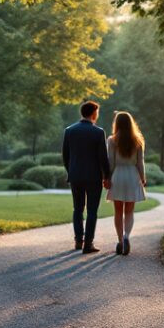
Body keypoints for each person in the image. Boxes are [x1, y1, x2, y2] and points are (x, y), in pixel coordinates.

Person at [61, 100, 111, 254]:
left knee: (77, 209)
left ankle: (78, 240)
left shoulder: (69, 131)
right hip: (93, 177)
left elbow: (65, 155)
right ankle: (88, 244)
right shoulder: (98, 132)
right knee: (92, 211)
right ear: (94, 113)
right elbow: (103, 157)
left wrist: (71, 171)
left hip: (75, 176)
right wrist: (107, 176)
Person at [106, 111, 147, 255]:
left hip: (117, 176)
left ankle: (120, 241)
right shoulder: (138, 141)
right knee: (129, 211)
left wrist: (107, 178)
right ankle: (126, 236)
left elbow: (110, 162)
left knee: (118, 211)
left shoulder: (112, 140)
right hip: (132, 176)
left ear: (116, 123)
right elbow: (140, 163)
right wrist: (143, 178)